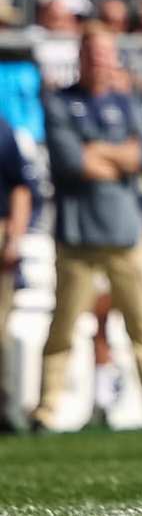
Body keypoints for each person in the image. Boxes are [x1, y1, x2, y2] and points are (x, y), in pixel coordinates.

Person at [33, 25, 142, 431]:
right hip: (77, 238)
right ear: (81, 58)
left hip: (125, 235)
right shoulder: (60, 102)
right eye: (92, 55)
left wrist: (98, 150)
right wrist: (118, 156)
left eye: (105, 55)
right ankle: (46, 410)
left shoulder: (126, 102)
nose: (99, 62)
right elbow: (72, 163)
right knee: (63, 327)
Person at [0, 112, 37, 433]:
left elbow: (21, 187)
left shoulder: (2, 129)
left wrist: (14, 236)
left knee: (0, 328)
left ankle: (7, 411)